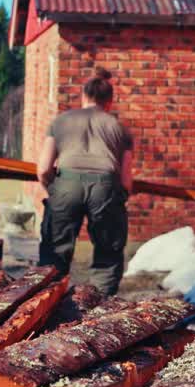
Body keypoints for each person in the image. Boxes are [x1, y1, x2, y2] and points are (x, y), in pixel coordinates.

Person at [36, 68, 134, 295]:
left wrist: (54, 189)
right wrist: (119, 198)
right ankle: (98, 308)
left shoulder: (61, 122)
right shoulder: (119, 129)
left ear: (84, 96)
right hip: (105, 186)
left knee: (54, 253)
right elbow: (126, 179)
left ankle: (46, 305)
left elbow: (43, 168)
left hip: (66, 183)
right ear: (109, 101)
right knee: (108, 252)